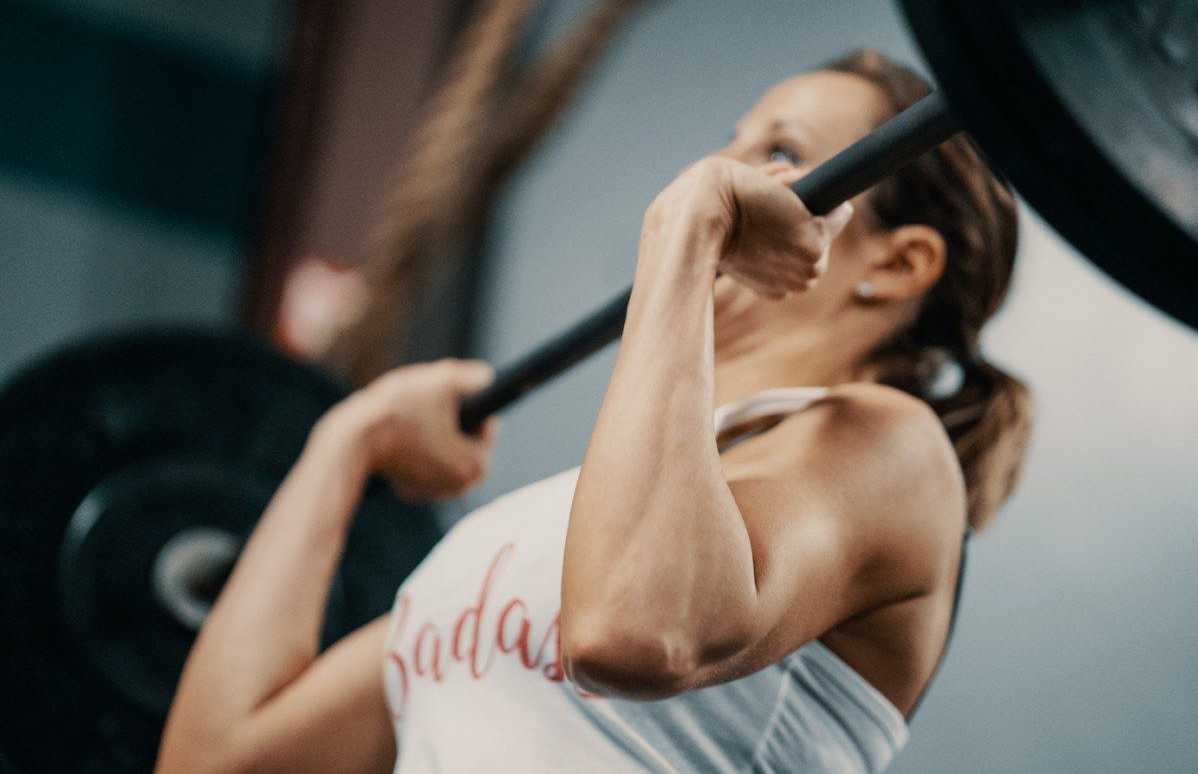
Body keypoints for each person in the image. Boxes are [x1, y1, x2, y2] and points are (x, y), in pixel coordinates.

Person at [157, 49, 1031, 773]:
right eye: (728, 145)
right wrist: (346, 441)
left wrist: (684, 231)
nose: (722, 168)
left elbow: (631, 631)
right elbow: (216, 764)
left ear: (901, 262)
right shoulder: (542, 530)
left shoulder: (890, 447)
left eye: (781, 148)